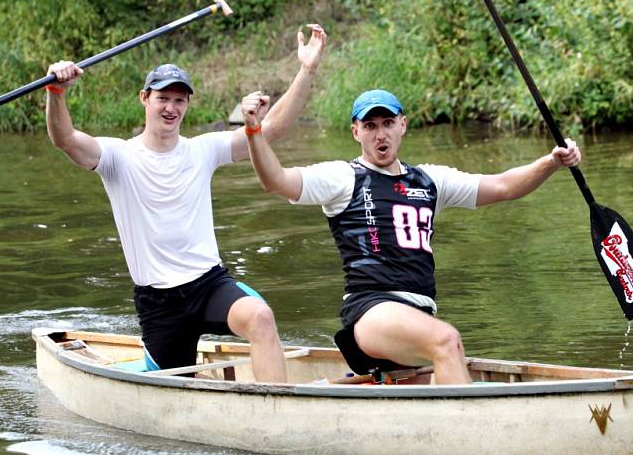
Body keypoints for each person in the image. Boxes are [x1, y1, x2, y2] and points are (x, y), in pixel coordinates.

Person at [45, 24, 327, 383]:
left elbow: (271, 130)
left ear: (188, 104)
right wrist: (56, 92)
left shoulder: (202, 150)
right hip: (159, 303)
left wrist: (307, 70)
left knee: (260, 317)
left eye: (179, 100)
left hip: (208, 285)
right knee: (172, 385)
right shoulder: (118, 156)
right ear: (144, 99)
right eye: (163, 98)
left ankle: (277, 412)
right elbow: (64, 139)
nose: (171, 107)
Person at [243, 88, 581, 384]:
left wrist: (551, 162)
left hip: (419, 313)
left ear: (402, 125)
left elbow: (505, 186)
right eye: (370, 126)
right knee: (447, 340)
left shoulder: (430, 181)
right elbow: (275, 180)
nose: (380, 135)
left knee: (449, 344)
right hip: (370, 310)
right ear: (355, 132)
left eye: (387, 124)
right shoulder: (342, 177)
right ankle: (468, 445)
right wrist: (254, 130)